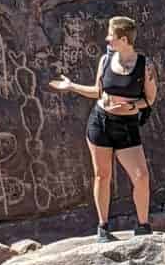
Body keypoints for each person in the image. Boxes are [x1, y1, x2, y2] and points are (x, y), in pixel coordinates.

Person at [50, 16, 158, 241]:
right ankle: (103, 227)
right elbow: (98, 92)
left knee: (141, 176)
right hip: (101, 122)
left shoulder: (144, 66)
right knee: (102, 175)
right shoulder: (105, 60)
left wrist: (130, 105)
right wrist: (71, 87)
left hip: (127, 126)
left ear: (124, 39)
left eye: (111, 35)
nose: (107, 39)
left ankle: (143, 225)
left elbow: (150, 99)